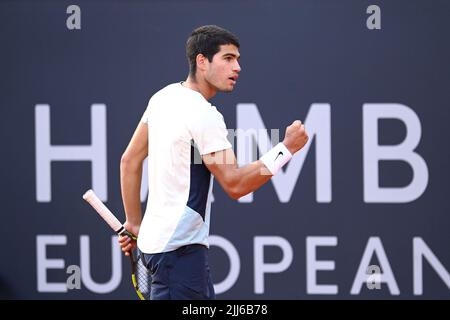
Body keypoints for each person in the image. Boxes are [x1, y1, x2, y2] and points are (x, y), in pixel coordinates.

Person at [118, 25, 308, 300]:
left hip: (162, 249)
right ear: (202, 61)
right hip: (179, 253)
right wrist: (286, 149)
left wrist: (135, 225)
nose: (238, 67)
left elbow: (129, 161)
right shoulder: (203, 114)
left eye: (238, 59)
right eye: (228, 58)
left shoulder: (162, 98)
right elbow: (235, 184)